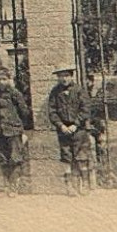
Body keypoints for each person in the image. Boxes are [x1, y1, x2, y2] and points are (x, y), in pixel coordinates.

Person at [47, 65, 95, 195]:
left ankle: (84, 184)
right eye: (61, 76)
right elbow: (52, 111)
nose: (64, 79)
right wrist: (60, 125)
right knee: (66, 156)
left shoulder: (79, 90)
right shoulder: (55, 92)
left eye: (66, 75)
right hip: (63, 129)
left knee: (82, 156)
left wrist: (76, 124)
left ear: (71, 76)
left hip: (78, 129)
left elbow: (86, 109)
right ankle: (69, 186)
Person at [0, 61, 31, 194]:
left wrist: (22, 129)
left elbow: (24, 111)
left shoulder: (15, 93)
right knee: (2, 158)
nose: (1, 82)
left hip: (13, 130)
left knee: (15, 158)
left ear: (9, 79)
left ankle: (14, 186)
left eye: (4, 79)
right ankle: (5, 185)